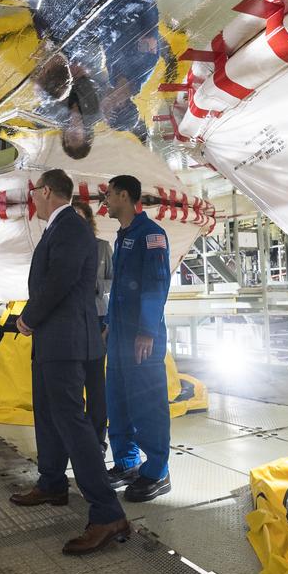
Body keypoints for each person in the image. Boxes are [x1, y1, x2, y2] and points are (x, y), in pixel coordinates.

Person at [10, 169, 129, 555]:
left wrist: (28, 318)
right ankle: (52, 483)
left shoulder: (71, 228)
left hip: (63, 341)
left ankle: (107, 512)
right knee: (47, 414)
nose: (32, 201)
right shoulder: (60, 229)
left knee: (72, 423)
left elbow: (57, 283)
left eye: (35, 194)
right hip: (54, 341)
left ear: (46, 191)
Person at [103, 174, 172, 502]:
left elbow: (156, 286)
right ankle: (127, 463)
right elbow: (120, 290)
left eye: (110, 194)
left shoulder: (152, 235)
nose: (106, 200)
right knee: (118, 401)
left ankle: (158, 470)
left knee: (147, 404)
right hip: (118, 338)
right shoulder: (123, 236)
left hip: (142, 339)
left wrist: (146, 330)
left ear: (125, 196)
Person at [71, 200, 111, 450]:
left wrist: (97, 286)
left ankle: (98, 437)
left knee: (96, 382)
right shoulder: (63, 248)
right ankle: (78, 435)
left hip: (96, 319)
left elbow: (113, 282)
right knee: (73, 382)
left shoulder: (102, 248)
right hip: (72, 321)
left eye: (80, 216)